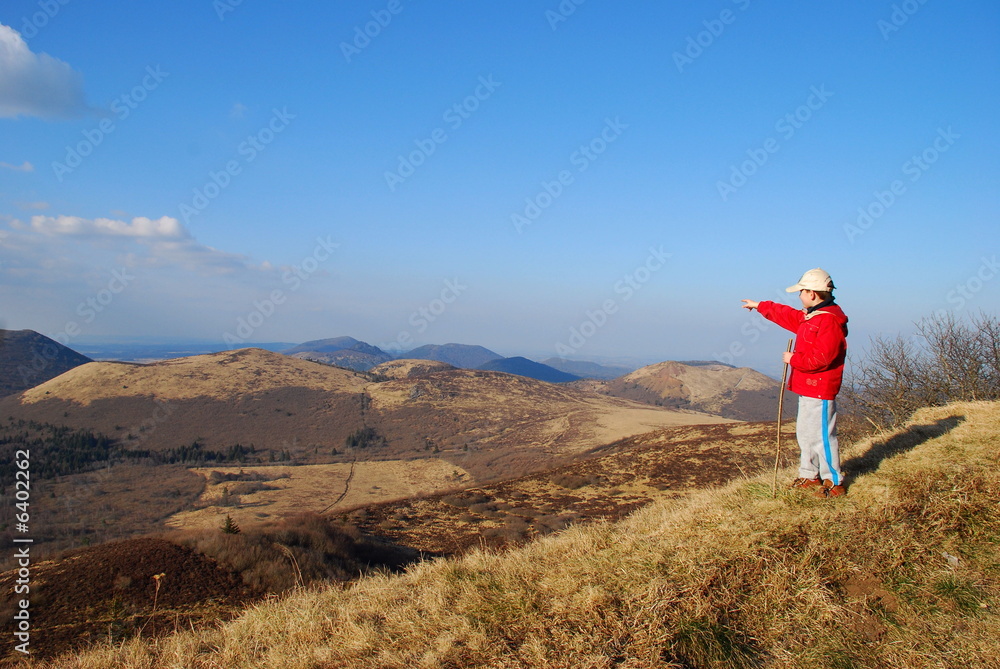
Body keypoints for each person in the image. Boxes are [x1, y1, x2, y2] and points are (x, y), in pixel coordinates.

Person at [741, 268, 849, 498]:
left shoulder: (828, 322)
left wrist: (794, 359)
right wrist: (761, 306)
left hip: (819, 388)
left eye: (801, 292)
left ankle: (834, 481)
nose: (799, 296)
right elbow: (789, 316)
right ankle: (809, 475)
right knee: (806, 434)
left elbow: (823, 358)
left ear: (812, 293)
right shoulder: (814, 317)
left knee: (822, 436)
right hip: (809, 387)